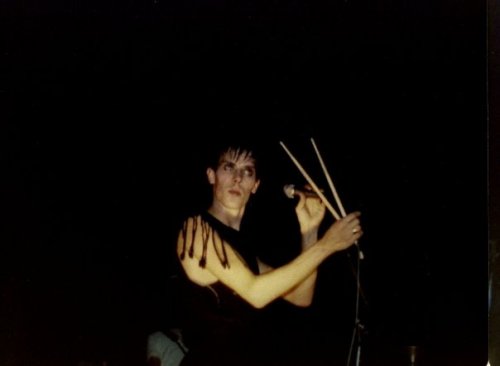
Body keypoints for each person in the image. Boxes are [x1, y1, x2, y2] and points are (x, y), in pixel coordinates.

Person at [150, 137, 363, 366]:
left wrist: (309, 232)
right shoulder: (196, 230)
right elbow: (255, 292)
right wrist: (327, 245)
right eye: (228, 167)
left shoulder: (244, 248)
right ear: (211, 175)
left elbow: (301, 296)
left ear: (256, 185)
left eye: (247, 171)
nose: (238, 178)